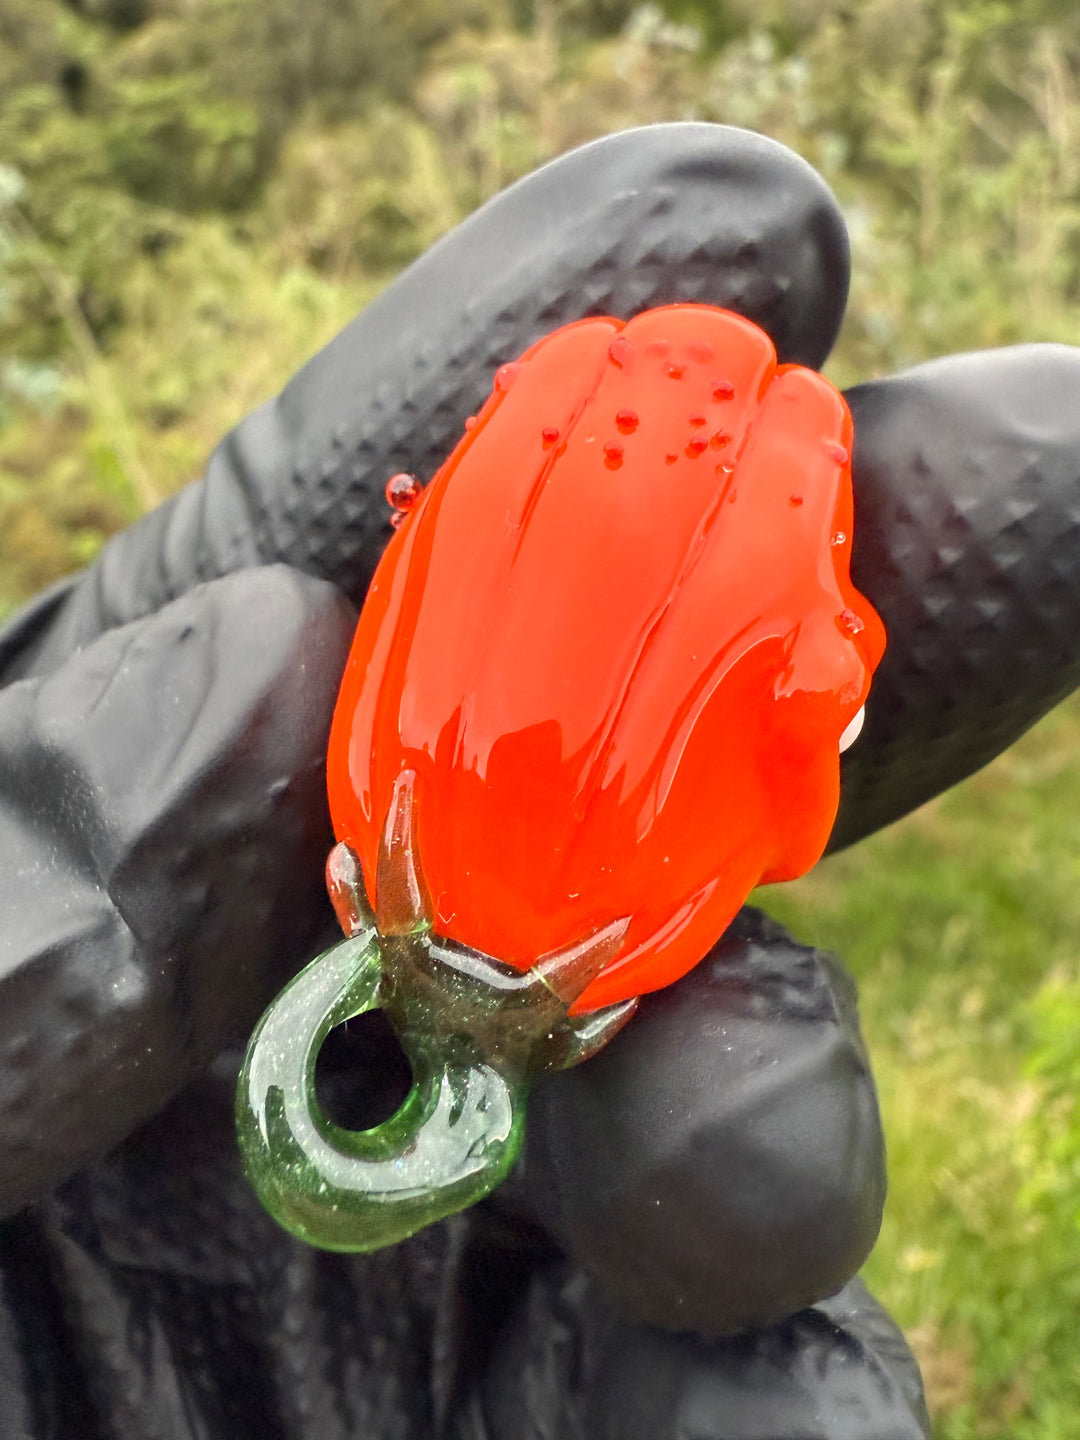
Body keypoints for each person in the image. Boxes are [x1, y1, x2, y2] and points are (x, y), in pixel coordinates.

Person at [5, 120, 1080, 1438]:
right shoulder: (748, 484)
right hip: (496, 903)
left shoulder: (381, 782)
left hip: (425, 865)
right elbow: (796, 760)